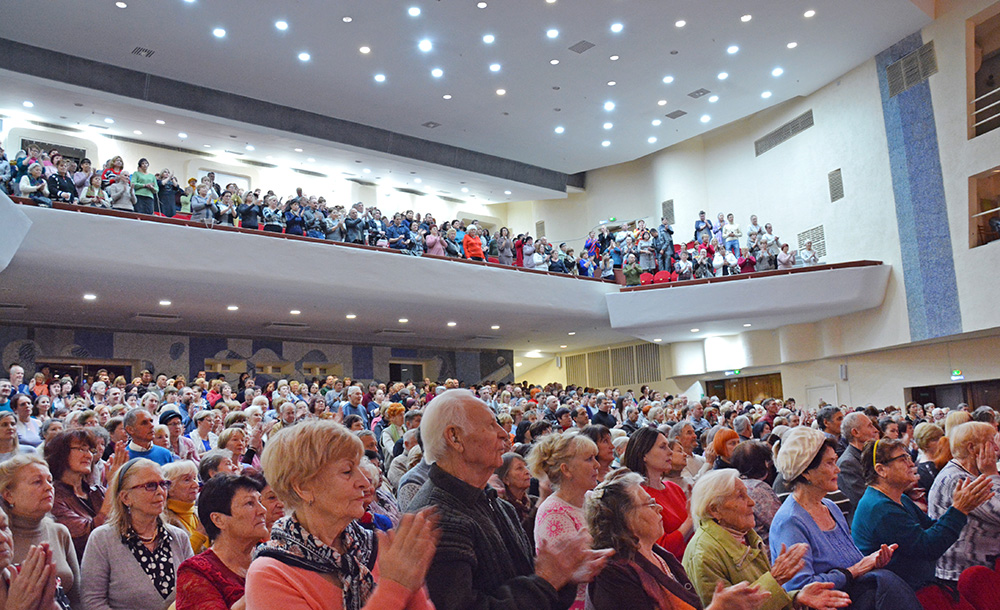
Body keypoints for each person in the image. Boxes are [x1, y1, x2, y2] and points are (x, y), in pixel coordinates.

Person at [408, 389, 610, 610]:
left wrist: (562, 578)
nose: (504, 434)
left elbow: (525, 581)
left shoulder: (499, 505)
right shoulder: (434, 519)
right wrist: (548, 581)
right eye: (491, 425)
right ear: (454, 437)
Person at [245, 419, 437, 610]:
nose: (364, 482)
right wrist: (394, 587)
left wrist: (412, 584)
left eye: (360, 468)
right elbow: (395, 592)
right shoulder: (270, 573)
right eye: (347, 471)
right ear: (303, 488)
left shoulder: (374, 547)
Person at [769, 427, 918, 610]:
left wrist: (871, 561)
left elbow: (852, 563)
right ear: (806, 472)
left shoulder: (830, 507)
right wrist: (854, 571)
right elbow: (801, 589)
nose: (837, 469)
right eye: (829, 463)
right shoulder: (790, 521)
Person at [586, 468, 770, 610]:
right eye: (650, 503)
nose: (659, 508)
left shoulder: (658, 554)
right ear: (626, 518)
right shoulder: (613, 573)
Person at [683, 469, 852, 610]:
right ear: (714, 510)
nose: (752, 502)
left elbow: (767, 595)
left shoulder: (745, 535)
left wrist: (796, 597)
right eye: (740, 496)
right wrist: (775, 579)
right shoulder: (703, 555)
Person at [851, 437, 994, 603]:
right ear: (881, 470)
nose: (911, 464)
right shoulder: (880, 508)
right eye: (903, 459)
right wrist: (958, 510)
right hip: (904, 597)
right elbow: (928, 547)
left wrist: (960, 509)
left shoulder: (899, 499)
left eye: (909, 458)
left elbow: (930, 529)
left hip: (917, 588)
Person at [81, 458, 194, 610]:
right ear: (126, 497)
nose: (160, 491)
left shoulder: (179, 537)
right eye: (150, 486)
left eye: (163, 484)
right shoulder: (102, 539)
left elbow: (195, 590)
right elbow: (92, 602)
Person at [529, 432, 600, 610]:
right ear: (566, 469)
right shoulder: (554, 512)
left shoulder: (591, 499)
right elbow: (568, 571)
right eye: (589, 459)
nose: (597, 465)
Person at [176, 474, 268, 610]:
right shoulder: (196, 572)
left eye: (260, 502)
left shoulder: (268, 555)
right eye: (250, 503)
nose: (263, 510)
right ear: (218, 520)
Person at [0, 454, 81, 608]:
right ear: (9, 495)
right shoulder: (4, 540)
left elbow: (77, 598)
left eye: (50, 481)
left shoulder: (59, 532)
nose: (49, 487)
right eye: (37, 482)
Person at [927, 422, 1000, 582]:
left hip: (982, 566)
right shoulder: (957, 479)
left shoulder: (969, 473)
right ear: (971, 448)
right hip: (963, 574)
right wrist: (992, 474)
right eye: (991, 442)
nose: (996, 448)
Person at [46, 429, 127, 560]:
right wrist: (113, 484)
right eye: (81, 449)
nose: (89, 456)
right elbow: (91, 538)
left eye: (91, 450)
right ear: (61, 453)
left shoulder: (97, 491)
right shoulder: (53, 497)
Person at [622, 427, 692, 560]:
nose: (670, 452)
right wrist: (691, 519)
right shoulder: (638, 497)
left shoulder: (674, 488)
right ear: (644, 455)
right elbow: (661, 548)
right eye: (662, 447)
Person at [729, 440, 781, 549]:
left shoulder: (734, 485)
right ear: (763, 464)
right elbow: (779, 523)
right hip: (767, 553)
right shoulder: (759, 489)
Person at [837, 412, 881, 519]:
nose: (876, 430)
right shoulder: (847, 463)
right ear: (855, 432)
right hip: (867, 519)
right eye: (870, 426)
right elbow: (865, 499)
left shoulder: (870, 455)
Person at [163, 461, 209, 554]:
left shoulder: (199, 511)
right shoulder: (165, 520)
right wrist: (199, 534)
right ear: (169, 488)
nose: (196, 485)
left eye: (195, 478)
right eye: (187, 480)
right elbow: (180, 559)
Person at [495, 452, 538, 545]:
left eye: (526, 467)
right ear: (506, 479)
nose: (527, 471)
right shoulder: (502, 509)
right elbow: (520, 538)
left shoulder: (534, 501)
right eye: (519, 468)